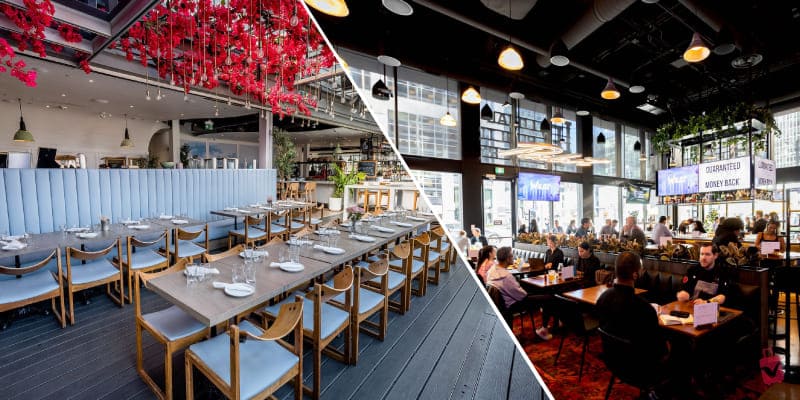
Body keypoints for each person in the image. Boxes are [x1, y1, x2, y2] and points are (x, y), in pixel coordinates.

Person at [596, 252, 670, 392]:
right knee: (681, 351)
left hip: (612, 361)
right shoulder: (644, 309)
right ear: (636, 275)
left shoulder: (603, 298)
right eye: (641, 268)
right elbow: (658, 350)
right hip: (639, 369)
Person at [487, 247, 554, 340]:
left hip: (502, 303)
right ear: (508, 258)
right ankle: (544, 330)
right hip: (512, 304)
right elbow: (522, 295)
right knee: (548, 297)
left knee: (538, 293)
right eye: (511, 255)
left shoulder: (492, 270)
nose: (513, 257)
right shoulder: (506, 276)